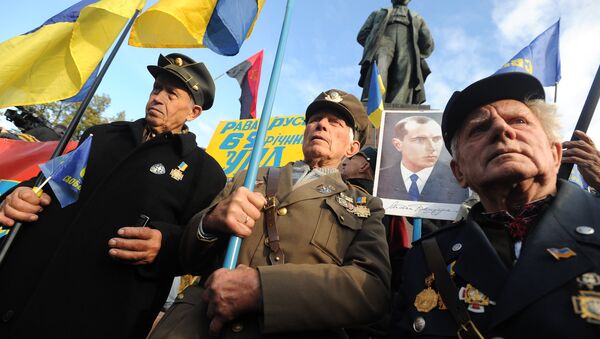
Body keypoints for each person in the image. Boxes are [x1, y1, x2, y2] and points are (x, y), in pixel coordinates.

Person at [0, 53, 226, 338]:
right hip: (15, 295)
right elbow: (48, 183)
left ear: (194, 112)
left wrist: (166, 245)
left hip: (96, 318)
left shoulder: (204, 173)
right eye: (157, 89)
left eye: (171, 94)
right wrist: (16, 196)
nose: (158, 98)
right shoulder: (102, 135)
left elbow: (202, 250)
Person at [390, 72, 600, 338]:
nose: (502, 129)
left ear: (555, 153)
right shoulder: (426, 260)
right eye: (479, 129)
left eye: (520, 121)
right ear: (459, 172)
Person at [177, 89, 391, 338]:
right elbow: (186, 256)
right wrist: (209, 223)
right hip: (200, 326)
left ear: (352, 147)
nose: (321, 124)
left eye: (335, 123)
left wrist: (264, 289)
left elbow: (371, 289)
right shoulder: (251, 176)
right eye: (314, 120)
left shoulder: (365, 205)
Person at [357, 0, 434, 105]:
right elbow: (362, 34)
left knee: (405, 70)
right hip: (383, 40)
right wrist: (373, 43)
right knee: (379, 67)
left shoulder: (417, 17)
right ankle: (374, 100)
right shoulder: (379, 13)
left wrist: (418, 54)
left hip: (407, 42)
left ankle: (400, 104)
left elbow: (427, 41)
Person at [377, 115, 468, 203]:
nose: (432, 148)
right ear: (398, 145)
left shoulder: (460, 180)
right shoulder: (380, 178)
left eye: (436, 139)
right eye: (420, 140)